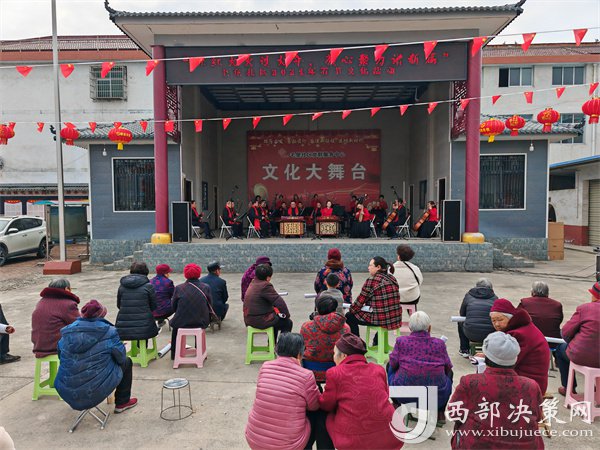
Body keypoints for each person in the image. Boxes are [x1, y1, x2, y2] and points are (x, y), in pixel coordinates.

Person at [449, 332, 544, 449]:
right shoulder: (531, 386)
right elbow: (538, 417)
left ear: (486, 357)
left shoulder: (470, 382)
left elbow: (454, 414)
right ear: (515, 359)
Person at [245, 332, 329, 450]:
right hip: (288, 446)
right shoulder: (306, 375)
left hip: (255, 440)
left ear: (277, 349)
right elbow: (314, 406)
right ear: (299, 354)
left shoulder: (265, 367)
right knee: (318, 413)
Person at [319, 334, 402, 450]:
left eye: (334, 354)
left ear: (343, 355)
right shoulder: (378, 369)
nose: (333, 358)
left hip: (353, 441)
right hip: (392, 434)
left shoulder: (335, 373)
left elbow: (326, 404)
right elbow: (385, 395)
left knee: (322, 416)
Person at [55, 300, 137, 413]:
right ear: (102, 315)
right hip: (95, 389)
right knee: (127, 362)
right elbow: (121, 358)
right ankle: (122, 403)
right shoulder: (109, 331)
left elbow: (61, 356)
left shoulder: (67, 332)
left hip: (66, 390)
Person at [388, 311, 452, 421]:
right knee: (450, 373)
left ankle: (397, 403)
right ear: (429, 328)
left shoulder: (401, 341)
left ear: (410, 328)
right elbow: (447, 367)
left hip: (404, 395)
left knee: (390, 365)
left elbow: (393, 364)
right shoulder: (439, 344)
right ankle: (440, 411)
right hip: (436, 398)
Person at [490, 298, 550, 394]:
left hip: (530, 385)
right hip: (531, 381)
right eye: (493, 320)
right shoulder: (522, 327)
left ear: (510, 318)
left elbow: (505, 364)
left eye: (500, 320)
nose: (497, 324)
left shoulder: (517, 334)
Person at [555, 281, 600, 396]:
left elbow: (565, 332)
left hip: (582, 356)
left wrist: (575, 341)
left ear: (595, 296)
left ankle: (569, 388)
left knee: (560, 349)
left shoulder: (585, 308)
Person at [346, 257, 402, 338]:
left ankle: (356, 342)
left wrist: (351, 309)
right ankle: (377, 342)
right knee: (381, 316)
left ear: (378, 267)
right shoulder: (392, 278)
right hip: (395, 318)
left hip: (381, 319)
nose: (368, 268)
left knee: (349, 316)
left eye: (370, 265)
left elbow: (359, 303)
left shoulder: (372, 280)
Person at [301, 296, 350, 383]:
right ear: (335, 309)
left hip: (311, 369)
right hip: (337, 369)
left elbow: (302, 347)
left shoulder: (307, 327)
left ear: (317, 309)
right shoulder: (345, 328)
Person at [170, 263, 212, 360]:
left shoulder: (179, 288)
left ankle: (174, 354)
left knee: (175, 328)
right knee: (198, 322)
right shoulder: (206, 287)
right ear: (199, 273)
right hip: (201, 321)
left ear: (185, 274)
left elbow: (174, 307)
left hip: (182, 321)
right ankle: (199, 350)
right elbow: (210, 305)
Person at [31, 278, 80, 358]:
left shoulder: (41, 302)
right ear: (67, 289)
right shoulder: (68, 304)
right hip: (57, 348)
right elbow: (78, 325)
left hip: (39, 347)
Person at [243, 264, 292, 340]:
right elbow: (279, 302)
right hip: (259, 320)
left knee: (275, 319)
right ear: (268, 277)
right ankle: (283, 346)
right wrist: (286, 315)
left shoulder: (253, 283)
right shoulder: (265, 286)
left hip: (249, 319)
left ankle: (272, 344)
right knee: (287, 323)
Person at [115, 262, 158, 342]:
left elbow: (119, 305)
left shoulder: (122, 286)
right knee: (144, 332)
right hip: (145, 328)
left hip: (123, 327)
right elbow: (153, 306)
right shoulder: (148, 286)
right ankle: (142, 348)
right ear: (146, 271)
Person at [457, 278, 498, 357]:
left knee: (460, 321)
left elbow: (462, 313)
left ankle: (464, 350)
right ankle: (492, 350)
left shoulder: (468, 296)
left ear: (476, 286)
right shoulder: (495, 298)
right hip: (489, 334)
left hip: (470, 333)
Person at [518, 281, 563, 346]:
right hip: (552, 341)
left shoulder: (524, 302)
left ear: (532, 292)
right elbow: (559, 320)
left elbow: (516, 319)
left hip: (529, 339)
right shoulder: (557, 305)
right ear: (547, 293)